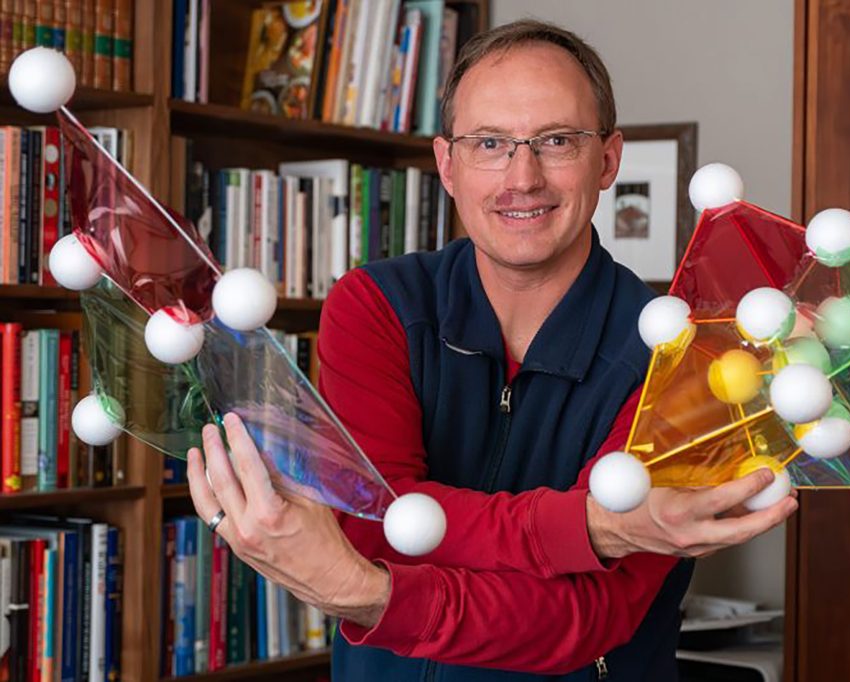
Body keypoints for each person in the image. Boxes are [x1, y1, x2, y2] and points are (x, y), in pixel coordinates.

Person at [185, 19, 797, 681]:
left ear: (609, 161)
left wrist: (370, 593)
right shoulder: (375, 307)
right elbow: (374, 526)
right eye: (490, 143)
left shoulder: (687, 358)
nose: (522, 176)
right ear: (448, 165)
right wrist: (591, 526)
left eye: (557, 141)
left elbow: (587, 619)